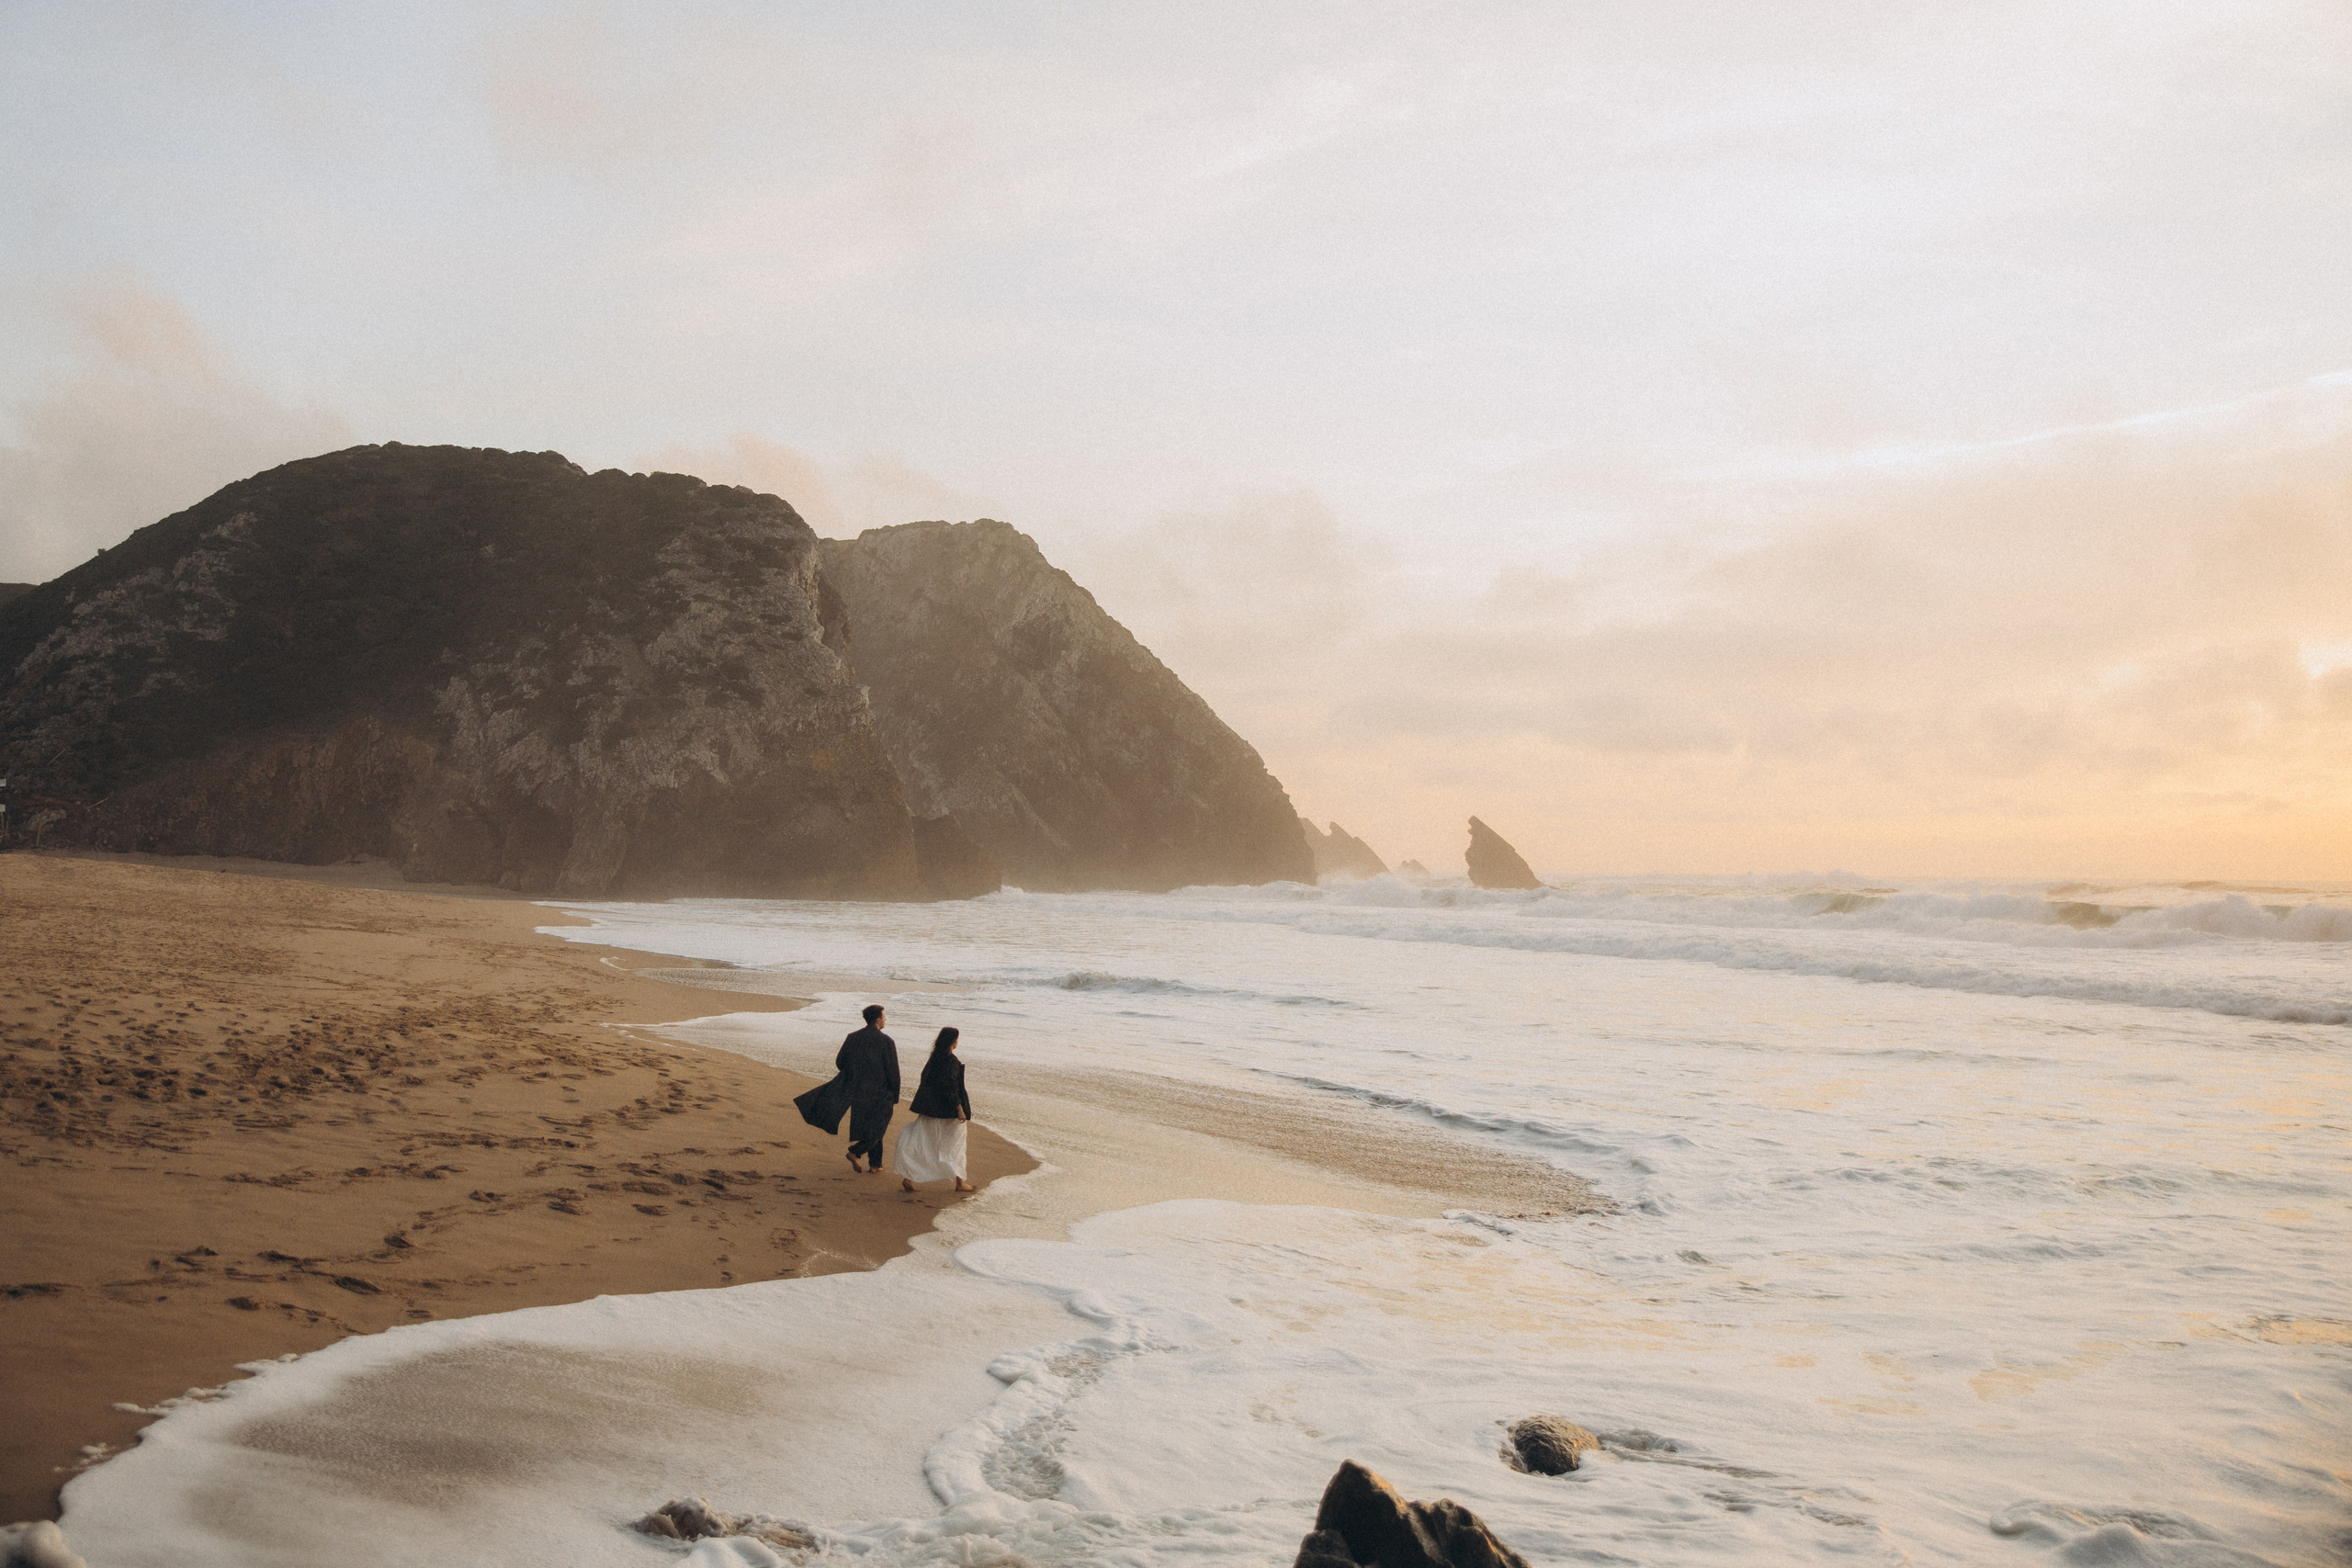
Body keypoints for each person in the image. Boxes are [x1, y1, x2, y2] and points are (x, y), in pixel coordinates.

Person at [895, 1027, 974, 1193]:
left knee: (922, 1142)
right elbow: (951, 1086)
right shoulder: (951, 1060)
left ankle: (908, 1178)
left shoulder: (934, 1058)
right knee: (956, 1144)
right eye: (957, 1039)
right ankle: (960, 1183)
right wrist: (959, 1107)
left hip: (929, 1108)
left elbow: (925, 1078)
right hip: (948, 1110)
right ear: (953, 1041)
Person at [835, 1004, 900, 1174]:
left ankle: (875, 1164)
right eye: (884, 1017)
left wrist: (855, 1073)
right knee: (878, 1128)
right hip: (881, 1092)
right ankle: (855, 1152)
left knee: (872, 1127)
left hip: (859, 1090)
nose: (886, 1019)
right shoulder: (886, 1041)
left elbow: (840, 1062)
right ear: (878, 1020)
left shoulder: (852, 1037)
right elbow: (893, 1070)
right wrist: (895, 1094)